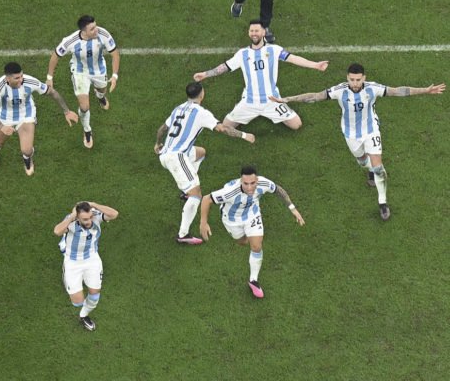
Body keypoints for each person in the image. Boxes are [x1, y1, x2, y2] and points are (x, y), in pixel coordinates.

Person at [269, 63, 445, 220]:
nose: (355, 83)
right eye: (352, 79)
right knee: (362, 162)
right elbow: (315, 96)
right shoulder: (339, 91)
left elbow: (397, 90)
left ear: (364, 78)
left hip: (370, 131)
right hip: (351, 134)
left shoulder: (372, 88)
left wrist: (424, 90)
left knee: (378, 167)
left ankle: (382, 202)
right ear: (347, 78)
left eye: (358, 80)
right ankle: (369, 170)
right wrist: (287, 99)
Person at [154, 82, 256, 245]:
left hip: (169, 153)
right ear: (202, 94)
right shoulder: (201, 113)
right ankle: (183, 234)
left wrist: (157, 144)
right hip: (176, 157)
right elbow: (222, 128)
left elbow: (162, 129)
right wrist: (244, 135)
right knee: (197, 195)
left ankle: (187, 190)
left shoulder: (178, 108)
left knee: (201, 152)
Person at [193, 19, 328, 131]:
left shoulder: (274, 50)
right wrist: (205, 74)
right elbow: (225, 67)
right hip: (249, 101)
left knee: (296, 125)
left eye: (257, 30)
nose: (254, 33)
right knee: (226, 126)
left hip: (272, 100)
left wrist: (315, 65)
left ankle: (268, 114)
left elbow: (293, 58)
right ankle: (244, 112)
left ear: (264, 32)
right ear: (248, 33)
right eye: (251, 31)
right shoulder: (242, 54)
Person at [199, 165, 304, 298]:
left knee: (256, 245)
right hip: (232, 220)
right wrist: (203, 222)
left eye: (253, 183)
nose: (249, 187)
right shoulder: (230, 191)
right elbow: (206, 199)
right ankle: (248, 237)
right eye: (246, 183)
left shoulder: (264, 183)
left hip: (252, 215)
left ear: (257, 180)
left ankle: (253, 280)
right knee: (243, 242)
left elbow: (278, 190)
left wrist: (293, 208)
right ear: (240, 181)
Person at [0, 61, 78, 176]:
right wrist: (2, 126)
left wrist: (67, 111)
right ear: (7, 78)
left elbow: (52, 92)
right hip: (6, 115)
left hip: (26, 114)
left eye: (21, 76)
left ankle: (27, 159)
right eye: (16, 78)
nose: (20, 80)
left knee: (27, 150)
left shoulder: (30, 81)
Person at [46, 15, 120, 149]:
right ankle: (87, 130)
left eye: (95, 26)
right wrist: (49, 77)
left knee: (102, 90)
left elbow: (115, 53)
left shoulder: (103, 34)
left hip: (99, 70)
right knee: (84, 106)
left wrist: (114, 76)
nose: (96, 30)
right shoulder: (70, 41)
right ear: (83, 31)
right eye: (92, 29)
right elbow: (55, 55)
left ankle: (100, 97)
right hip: (80, 72)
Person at [54, 201, 119, 331]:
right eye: (85, 219)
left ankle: (84, 316)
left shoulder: (94, 216)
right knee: (77, 302)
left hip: (92, 259)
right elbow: (57, 231)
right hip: (73, 262)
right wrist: (72, 217)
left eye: (90, 217)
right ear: (77, 217)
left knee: (94, 296)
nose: (89, 221)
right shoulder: (71, 222)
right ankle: (67, 277)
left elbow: (114, 214)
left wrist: (94, 205)